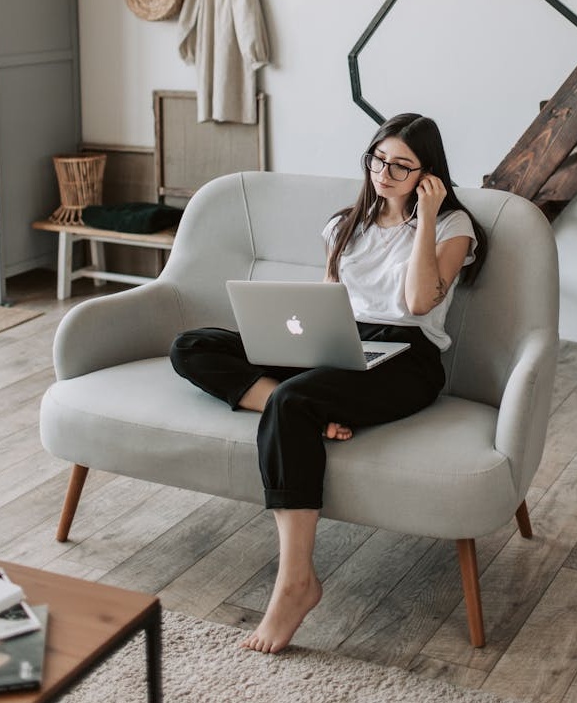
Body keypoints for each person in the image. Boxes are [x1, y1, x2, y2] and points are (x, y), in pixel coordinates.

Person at [169, 112, 487, 654]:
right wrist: (299, 340)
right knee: (192, 346)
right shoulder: (346, 224)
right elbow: (325, 301)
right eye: (378, 159)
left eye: (402, 166)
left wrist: (428, 215)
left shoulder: (454, 227)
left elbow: (417, 303)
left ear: (427, 174)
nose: (384, 172)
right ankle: (301, 410)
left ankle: (296, 582)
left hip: (407, 356)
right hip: (338, 341)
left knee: (297, 400)